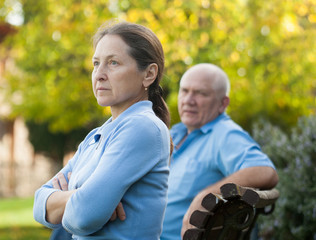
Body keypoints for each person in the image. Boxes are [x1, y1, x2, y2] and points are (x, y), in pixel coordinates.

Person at [33, 21, 171, 240]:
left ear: (149, 74)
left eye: (113, 63)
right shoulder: (96, 136)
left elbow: (83, 217)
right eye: (96, 63)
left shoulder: (143, 127)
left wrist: (70, 201)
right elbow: (38, 204)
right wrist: (80, 197)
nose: (99, 74)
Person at [159, 63, 279, 240]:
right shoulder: (177, 132)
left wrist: (205, 196)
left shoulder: (225, 134)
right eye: (184, 91)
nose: (188, 100)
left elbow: (265, 171)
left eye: (201, 93)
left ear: (223, 103)